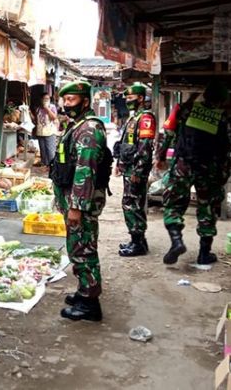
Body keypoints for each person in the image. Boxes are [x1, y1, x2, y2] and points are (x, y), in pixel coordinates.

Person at [50, 81, 110, 322]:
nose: (66, 104)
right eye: (64, 100)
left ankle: (89, 304)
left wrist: (76, 206)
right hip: (73, 199)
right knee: (77, 246)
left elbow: (85, 171)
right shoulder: (77, 126)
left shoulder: (88, 129)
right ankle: (84, 291)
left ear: (85, 101)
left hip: (81, 203)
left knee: (83, 248)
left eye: (71, 100)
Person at [155, 81, 231, 265]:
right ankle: (204, 254)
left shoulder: (188, 110)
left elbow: (169, 133)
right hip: (208, 170)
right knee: (207, 209)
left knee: (173, 205)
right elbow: (225, 150)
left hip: (183, 165)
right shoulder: (221, 117)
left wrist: (161, 155)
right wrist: (224, 173)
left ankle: (176, 241)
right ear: (222, 101)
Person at [116, 83, 157, 258]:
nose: (127, 101)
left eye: (130, 98)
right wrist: (120, 164)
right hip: (129, 168)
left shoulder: (146, 118)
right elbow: (127, 144)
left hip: (135, 170)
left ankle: (138, 243)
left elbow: (145, 148)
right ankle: (136, 240)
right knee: (131, 204)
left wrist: (138, 172)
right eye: (126, 98)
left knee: (133, 205)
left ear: (140, 98)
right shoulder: (134, 118)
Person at [34, 93, 59, 166]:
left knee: (50, 151)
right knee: (43, 151)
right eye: (45, 99)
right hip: (40, 132)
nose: (46, 100)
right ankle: (45, 165)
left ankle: (52, 167)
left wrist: (47, 108)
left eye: (48, 99)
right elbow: (36, 120)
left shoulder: (52, 107)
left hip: (50, 132)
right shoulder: (38, 108)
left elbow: (54, 118)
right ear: (41, 100)